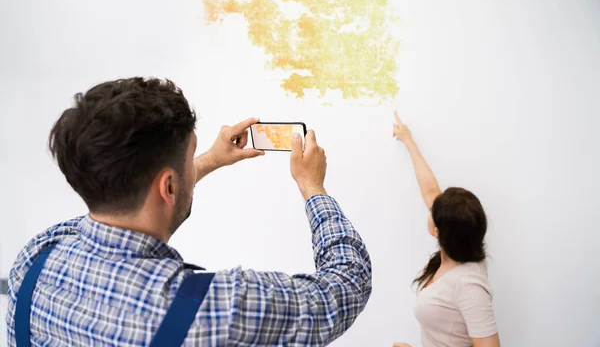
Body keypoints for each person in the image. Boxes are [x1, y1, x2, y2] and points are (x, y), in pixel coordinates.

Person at [5, 77, 372, 346]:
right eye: (189, 157)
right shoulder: (217, 310)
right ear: (167, 186)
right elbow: (345, 287)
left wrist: (209, 159)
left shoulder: (36, 257)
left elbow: (130, 208)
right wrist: (312, 186)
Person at [391, 112, 500, 347]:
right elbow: (431, 191)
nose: (429, 208)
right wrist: (408, 140)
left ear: (438, 230)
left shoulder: (468, 284)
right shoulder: (460, 244)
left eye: (433, 212)